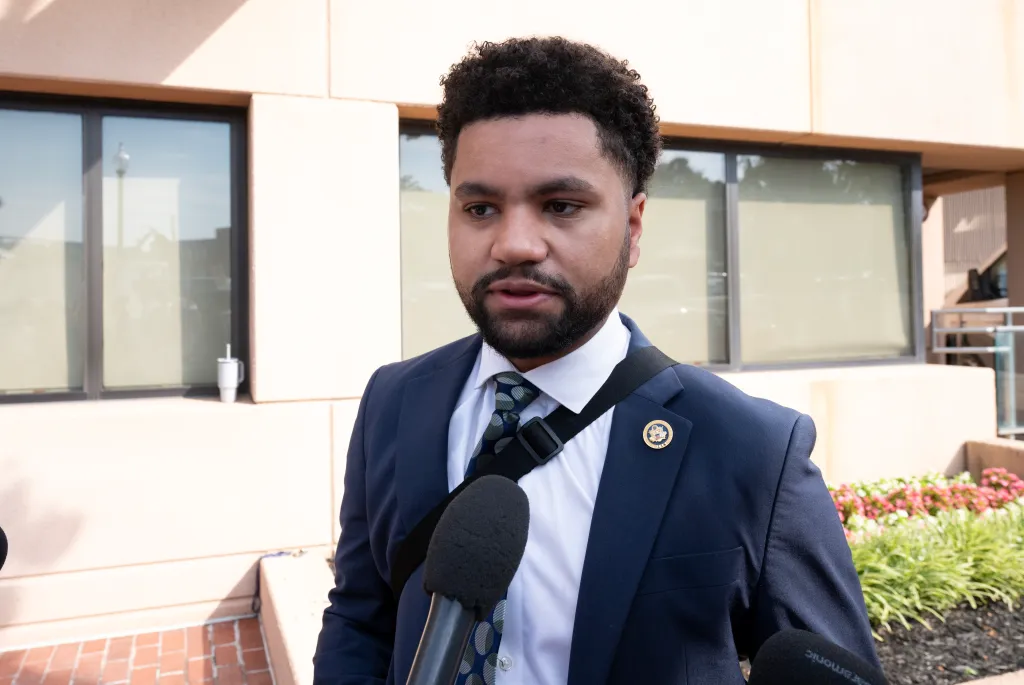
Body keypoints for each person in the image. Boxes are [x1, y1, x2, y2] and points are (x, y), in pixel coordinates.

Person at [313, 36, 878, 685]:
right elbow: (361, 613)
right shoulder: (393, 402)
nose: (515, 243)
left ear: (634, 227)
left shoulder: (752, 450)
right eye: (480, 207)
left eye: (561, 206)